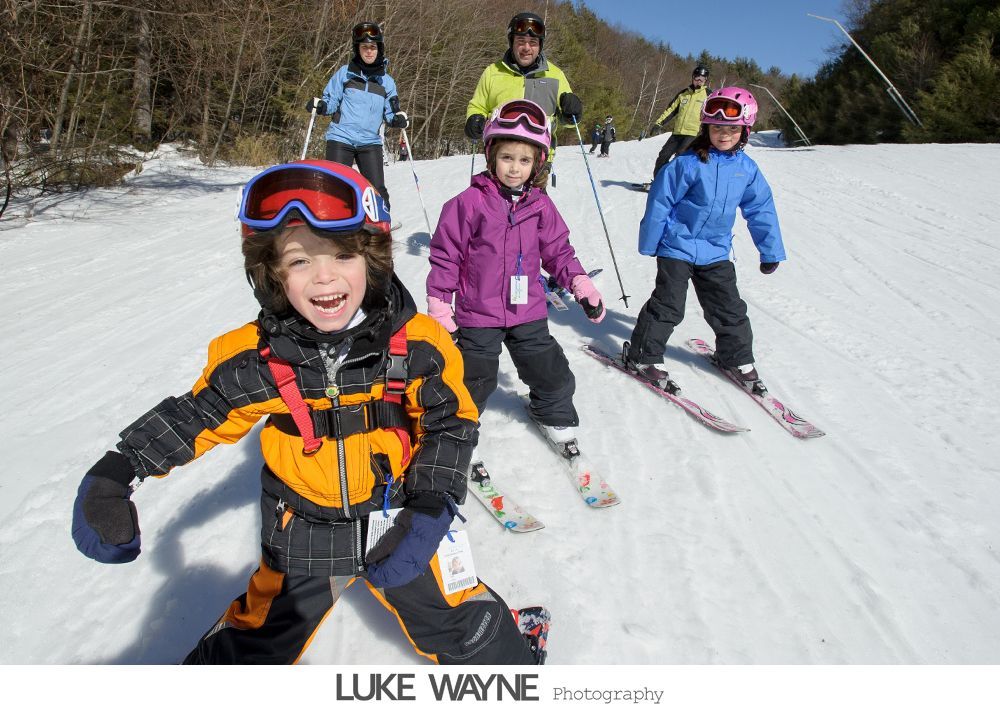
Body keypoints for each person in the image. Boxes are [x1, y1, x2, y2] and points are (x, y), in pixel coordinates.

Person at [70, 160, 539, 665]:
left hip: (396, 514)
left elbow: (450, 421)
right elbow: (199, 414)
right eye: (298, 262)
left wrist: (431, 504)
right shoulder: (256, 358)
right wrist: (118, 472)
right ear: (271, 275)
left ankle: (513, 656)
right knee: (250, 646)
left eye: (343, 254)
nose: (324, 277)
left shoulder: (416, 344)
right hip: (301, 525)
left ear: (374, 260)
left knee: (465, 628)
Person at [427, 99, 605, 457]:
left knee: (549, 369)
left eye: (524, 160)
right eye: (507, 157)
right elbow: (446, 256)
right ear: (491, 155)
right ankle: (455, 431)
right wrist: (440, 304)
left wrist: (580, 283)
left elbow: (559, 251)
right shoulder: (467, 203)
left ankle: (551, 412)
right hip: (478, 313)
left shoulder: (540, 205)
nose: (514, 168)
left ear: (537, 163)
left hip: (529, 310)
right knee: (472, 378)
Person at [623, 87, 785, 395]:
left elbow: (761, 208)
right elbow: (660, 202)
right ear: (705, 127)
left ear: (745, 130)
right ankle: (642, 357)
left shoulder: (747, 170)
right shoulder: (686, 164)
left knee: (729, 308)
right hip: (677, 246)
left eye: (732, 128)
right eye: (717, 127)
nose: (724, 134)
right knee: (668, 306)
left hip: (715, 251)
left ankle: (734, 358)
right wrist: (650, 241)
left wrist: (770, 250)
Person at [464, 12, 583, 182]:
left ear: (540, 46)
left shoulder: (555, 75)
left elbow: (567, 120)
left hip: (538, 162)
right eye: (521, 42)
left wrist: (572, 114)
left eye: (533, 43)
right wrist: (474, 119)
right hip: (501, 160)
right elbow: (478, 106)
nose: (526, 48)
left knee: (534, 207)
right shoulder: (493, 72)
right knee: (492, 207)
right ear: (511, 42)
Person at [305, 22, 408, 210]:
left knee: (377, 191)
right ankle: (334, 232)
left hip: (369, 142)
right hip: (341, 139)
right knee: (334, 188)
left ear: (379, 49)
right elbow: (331, 101)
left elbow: (391, 112)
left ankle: (380, 231)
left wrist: (397, 119)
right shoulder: (345, 74)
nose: (369, 51)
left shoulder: (387, 82)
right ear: (357, 49)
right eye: (364, 47)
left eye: (373, 47)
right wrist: (321, 106)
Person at [650, 65, 710, 179]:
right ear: (692, 78)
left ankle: (674, 183)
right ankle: (658, 181)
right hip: (677, 132)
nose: (699, 82)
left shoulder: (708, 95)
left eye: (702, 80)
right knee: (663, 155)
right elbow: (671, 110)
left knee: (680, 157)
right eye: (697, 79)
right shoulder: (683, 94)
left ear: (705, 80)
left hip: (693, 134)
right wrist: (658, 123)